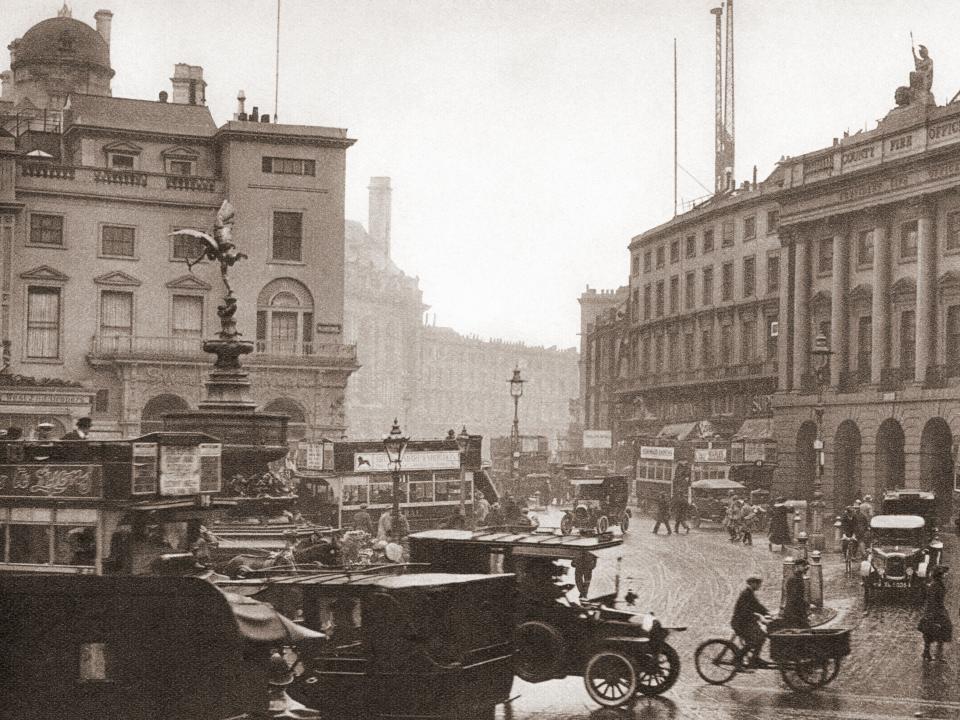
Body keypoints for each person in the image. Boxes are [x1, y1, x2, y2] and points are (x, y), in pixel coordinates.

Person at [731, 574, 771, 667]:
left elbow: (757, 606)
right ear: (752, 583)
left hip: (746, 623)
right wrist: (759, 617)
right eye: (758, 584)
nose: (759, 586)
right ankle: (737, 659)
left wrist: (768, 613)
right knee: (753, 640)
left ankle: (755, 658)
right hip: (740, 623)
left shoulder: (750, 593)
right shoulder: (746, 594)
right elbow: (746, 612)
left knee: (762, 635)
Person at [919, 565, 952, 661]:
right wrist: (934, 612)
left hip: (937, 609)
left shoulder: (937, 584)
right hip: (935, 610)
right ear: (940, 575)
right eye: (945, 573)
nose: (946, 575)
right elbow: (932, 600)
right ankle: (930, 653)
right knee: (933, 629)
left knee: (937, 629)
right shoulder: (935, 585)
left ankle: (930, 653)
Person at [780, 558, 811, 629]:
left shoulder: (799, 577)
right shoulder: (793, 579)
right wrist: (804, 604)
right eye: (803, 566)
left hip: (798, 610)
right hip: (793, 611)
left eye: (806, 566)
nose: (805, 568)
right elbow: (794, 596)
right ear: (797, 566)